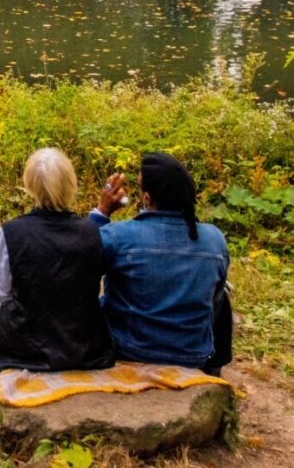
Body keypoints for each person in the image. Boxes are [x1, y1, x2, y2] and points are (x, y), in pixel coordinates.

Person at [90, 153, 231, 374]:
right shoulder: (214, 239)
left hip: (128, 349)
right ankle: (214, 369)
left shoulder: (118, 236)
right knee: (224, 296)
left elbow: (78, 259)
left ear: (146, 199)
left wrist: (102, 211)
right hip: (192, 354)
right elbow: (215, 298)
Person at [0, 148, 116, 373]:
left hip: (24, 352)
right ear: (70, 184)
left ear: (30, 185)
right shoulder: (93, 232)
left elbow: (1, 292)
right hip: (85, 351)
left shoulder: (11, 232)